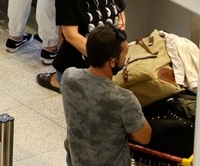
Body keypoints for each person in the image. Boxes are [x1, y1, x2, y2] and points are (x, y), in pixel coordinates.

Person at [61, 25, 151, 165]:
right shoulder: (124, 99)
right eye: (125, 54)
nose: (126, 58)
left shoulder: (69, 77)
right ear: (112, 62)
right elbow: (144, 137)